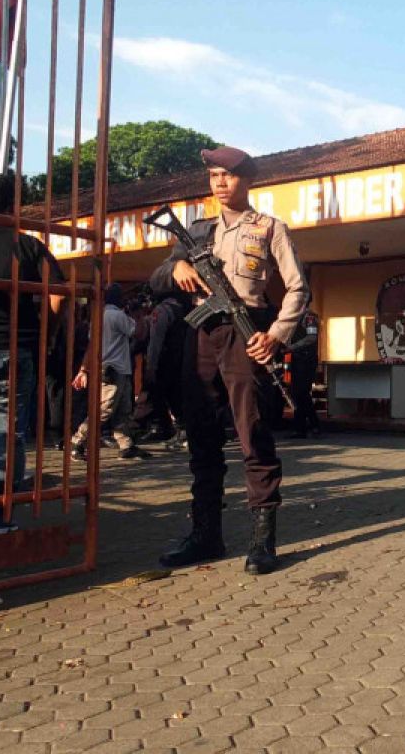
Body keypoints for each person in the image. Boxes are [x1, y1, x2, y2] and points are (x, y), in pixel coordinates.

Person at [150, 146, 309, 576]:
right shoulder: (197, 231)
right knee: (200, 432)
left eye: (230, 175)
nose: (221, 182)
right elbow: (157, 277)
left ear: (248, 180)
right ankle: (206, 534)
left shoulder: (270, 228)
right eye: (215, 175)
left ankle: (263, 539)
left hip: (247, 332)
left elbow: (298, 289)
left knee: (252, 431)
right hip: (200, 333)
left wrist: (276, 335)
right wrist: (178, 268)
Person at [0, 214, 64, 530]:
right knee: (7, 432)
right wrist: (47, 332)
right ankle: (1, 515)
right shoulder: (26, 245)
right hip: (16, 345)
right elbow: (59, 294)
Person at [71, 284, 141, 461]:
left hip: (106, 367)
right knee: (104, 409)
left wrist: (83, 369)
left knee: (121, 409)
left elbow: (91, 343)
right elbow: (136, 331)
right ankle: (77, 441)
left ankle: (126, 444)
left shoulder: (99, 316)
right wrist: (134, 314)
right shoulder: (118, 315)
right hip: (116, 368)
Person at [131, 293, 190, 444]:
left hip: (164, 360)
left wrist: (151, 365)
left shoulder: (162, 310)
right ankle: (171, 427)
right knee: (174, 394)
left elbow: (156, 339)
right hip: (182, 358)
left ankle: (172, 428)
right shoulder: (184, 308)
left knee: (162, 394)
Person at [287, 309, 321, 439]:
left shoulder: (309, 316)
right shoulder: (294, 316)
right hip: (296, 359)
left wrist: (292, 347)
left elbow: (311, 337)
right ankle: (308, 426)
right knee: (298, 394)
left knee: (301, 393)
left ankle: (306, 426)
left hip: (306, 359)